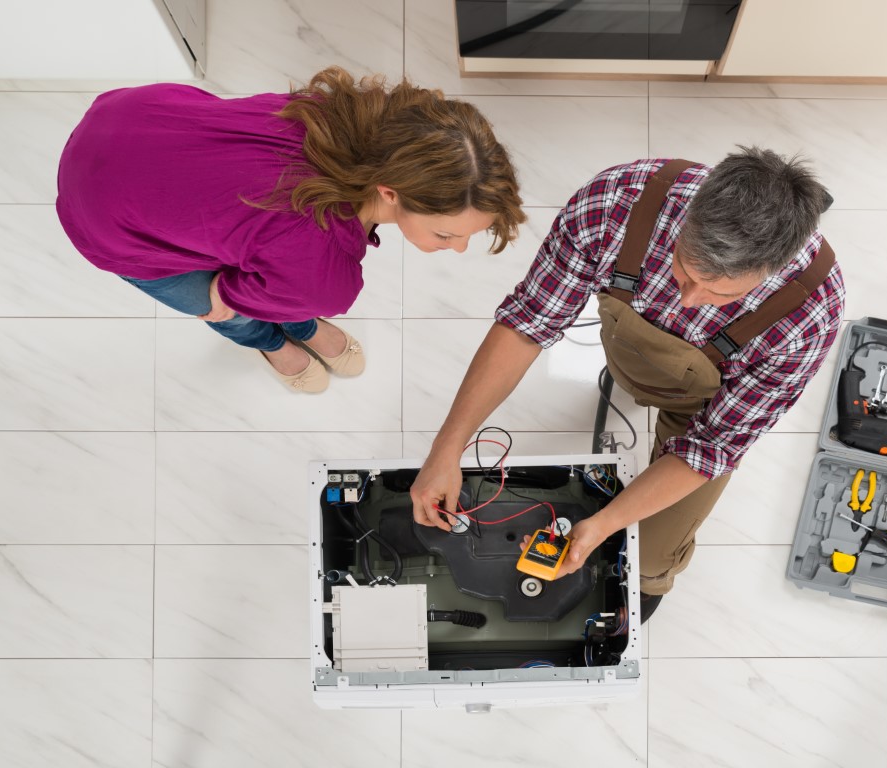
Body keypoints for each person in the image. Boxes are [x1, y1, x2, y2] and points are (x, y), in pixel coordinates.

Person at [409, 148, 845, 622]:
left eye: (722, 294)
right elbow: (527, 323)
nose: (690, 302)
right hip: (628, 356)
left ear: (773, 269)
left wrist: (602, 526)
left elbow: (710, 448)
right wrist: (446, 449)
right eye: (683, 272)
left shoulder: (810, 312)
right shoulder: (617, 203)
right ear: (686, 219)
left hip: (704, 410)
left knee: (652, 556)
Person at [57, 67, 525, 393]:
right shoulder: (325, 273)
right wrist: (226, 298)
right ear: (389, 193)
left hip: (134, 116)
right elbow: (238, 293)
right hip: (107, 219)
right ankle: (273, 342)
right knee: (228, 311)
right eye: (447, 235)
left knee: (279, 278)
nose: (459, 248)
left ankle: (299, 319)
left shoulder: (340, 118)